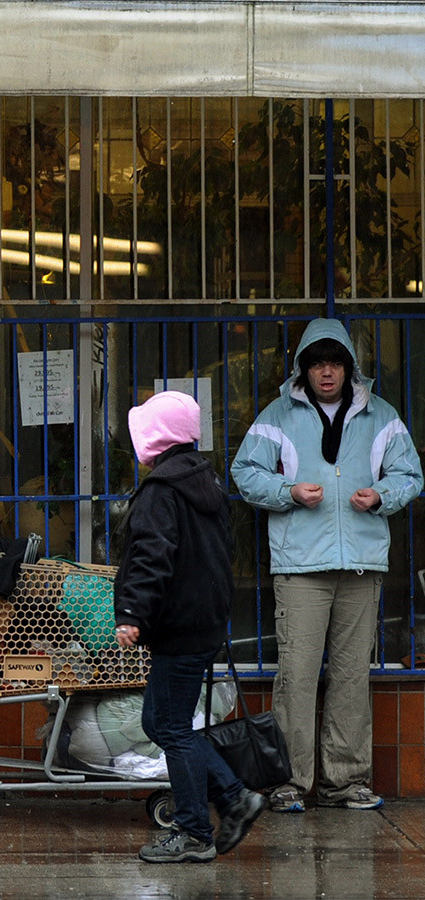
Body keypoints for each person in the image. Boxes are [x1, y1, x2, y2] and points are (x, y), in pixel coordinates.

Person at [230, 318, 422, 813]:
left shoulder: (382, 416)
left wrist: (381, 496)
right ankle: (289, 783)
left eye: (335, 363)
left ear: (349, 367)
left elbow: (410, 474)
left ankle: (346, 780)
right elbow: (243, 472)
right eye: (317, 364)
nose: (327, 372)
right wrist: (287, 493)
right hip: (299, 565)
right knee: (295, 674)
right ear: (304, 369)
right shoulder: (277, 415)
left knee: (352, 673)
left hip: (360, 563)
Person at [113, 391, 266, 863]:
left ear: (155, 436)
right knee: (162, 722)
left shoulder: (162, 492)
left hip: (179, 628)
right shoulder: (205, 483)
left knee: (170, 725)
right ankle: (234, 798)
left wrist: (133, 615)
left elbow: (151, 557)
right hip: (200, 625)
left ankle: (196, 829)